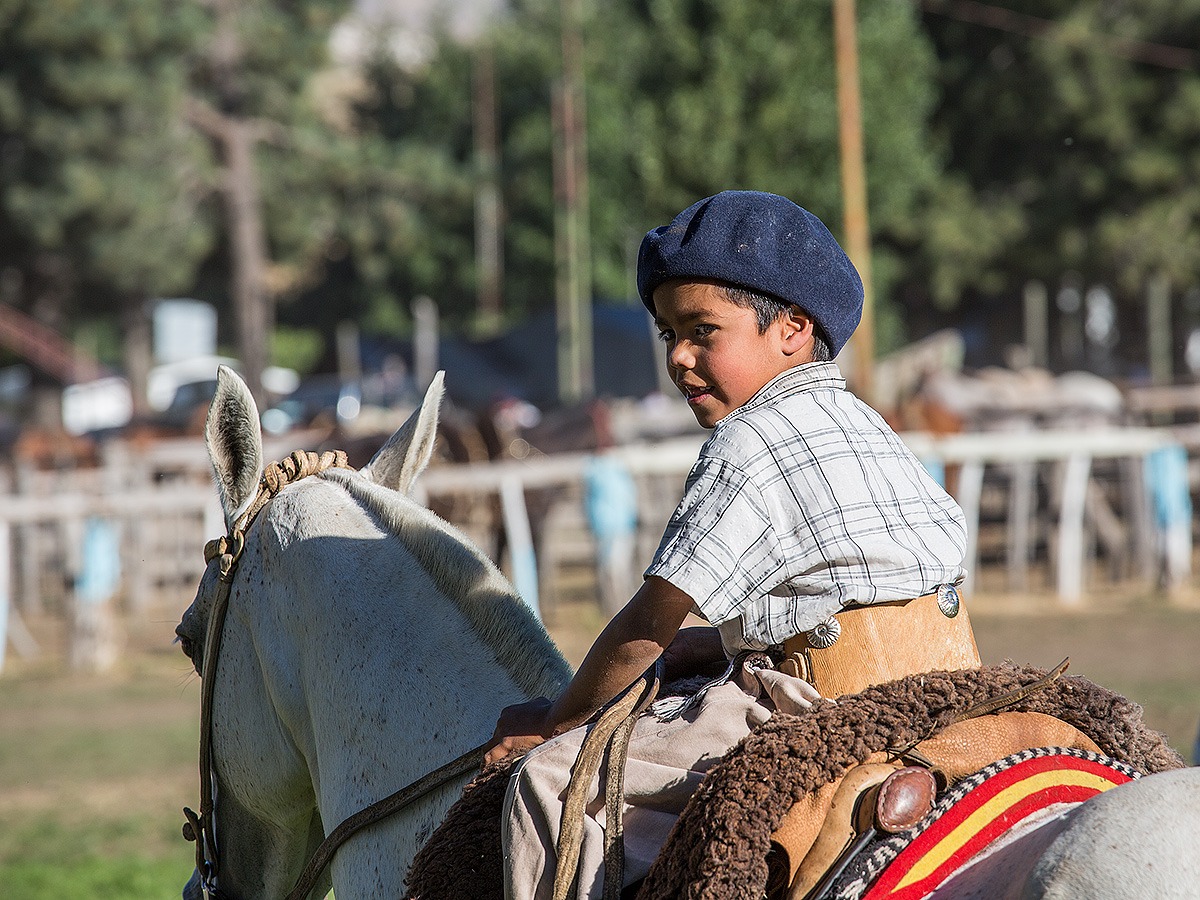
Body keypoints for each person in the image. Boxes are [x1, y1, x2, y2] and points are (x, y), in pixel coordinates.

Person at [485, 190, 971, 900]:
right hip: (942, 681)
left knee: (549, 781)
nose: (679, 357)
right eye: (668, 335)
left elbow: (649, 624)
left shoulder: (747, 441)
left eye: (702, 330)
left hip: (814, 702)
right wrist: (716, 643)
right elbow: (850, 590)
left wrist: (558, 721)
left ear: (792, 328)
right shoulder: (864, 423)